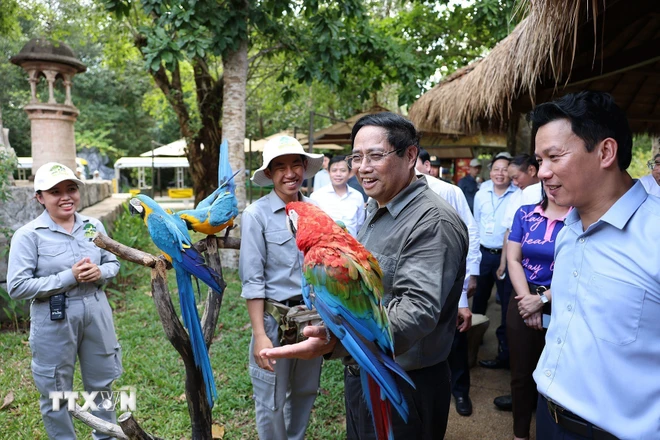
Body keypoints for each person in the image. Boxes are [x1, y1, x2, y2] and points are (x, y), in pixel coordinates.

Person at [261, 112, 469, 439]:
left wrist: (338, 340)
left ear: (410, 155)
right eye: (356, 157)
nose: (362, 167)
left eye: (375, 155)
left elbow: (418, 310)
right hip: (363, 372)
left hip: (403, 378)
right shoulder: (375, 208)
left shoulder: (433, 222)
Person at [531, 91, 660, 440]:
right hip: (548, 417)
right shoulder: (568, 230)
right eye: (539, 160)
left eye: (554, 156)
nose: (542, 172)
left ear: (605, 152)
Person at [7, 162, 122, 440]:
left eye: (71, 189)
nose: (65, 196)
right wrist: (67, 277)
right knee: (56, 390)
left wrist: (101, 271)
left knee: (102, 384)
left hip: (96, 309)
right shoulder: (29, 236)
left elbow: (113, 261)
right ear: (39, 197)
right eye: (55, 191)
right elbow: (18, 286)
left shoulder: (92, 226)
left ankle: (106, 436)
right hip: (54, 316)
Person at [239, 135, 325, 440]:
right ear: (270, 174)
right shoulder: (256, 215)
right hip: (274, 320)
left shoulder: (315, 211)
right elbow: (252, 280)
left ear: (304, 167)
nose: (289, 173)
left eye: (295, 164)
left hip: (312, 318)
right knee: (271, 398)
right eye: (280, 167)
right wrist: (260, 335)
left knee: (305, 390)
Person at [502, 185, 570, 440]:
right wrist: (527, 300)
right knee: (521, 372)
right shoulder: (525, 213)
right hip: (523, 295)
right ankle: (520, 434)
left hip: (562, 299)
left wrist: (541, 300)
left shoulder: (580, 217)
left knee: (557, 371)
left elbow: (580, 266)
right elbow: (513, 259)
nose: (554, 186)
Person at [416, 147, 480, 417]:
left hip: (449, 284)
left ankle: (460, 391)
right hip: (413, 288)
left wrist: (466, 287)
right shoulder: (388, 194)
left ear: (425, 165)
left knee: (455, 339)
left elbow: (470, 232)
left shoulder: (447, 191)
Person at [472, 152, 516, 370]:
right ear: (490, 172)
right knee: (478, 299)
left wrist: (506, 261)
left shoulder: (517, 194)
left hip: (505, 256)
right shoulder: (481, 192)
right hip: (482, 254)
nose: (500, 173)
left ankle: (504, 350)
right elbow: (475, 223)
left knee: (507, 303)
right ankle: (473, 340)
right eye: (496, 169)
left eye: (505, 169)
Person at [310, 155, 366, 236]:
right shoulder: (316, 196)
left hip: (351, 246)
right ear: (328, 172)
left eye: (343, 170)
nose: (338, 174)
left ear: (350, 173)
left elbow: (360, 226)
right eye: (334, 170)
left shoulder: (357, 196)